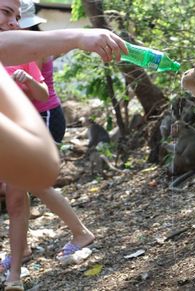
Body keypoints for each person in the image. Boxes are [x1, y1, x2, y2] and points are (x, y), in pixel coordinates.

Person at [0, 1, 128, 289]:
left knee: (28, 185)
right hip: (23, 124)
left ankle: (19, 269)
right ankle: (24, 252)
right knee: (23, 188)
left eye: (17, 16)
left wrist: (79, 38)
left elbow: (39, 86)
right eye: (7, 13)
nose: (13, 22)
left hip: (41, 116)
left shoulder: (26, 46)